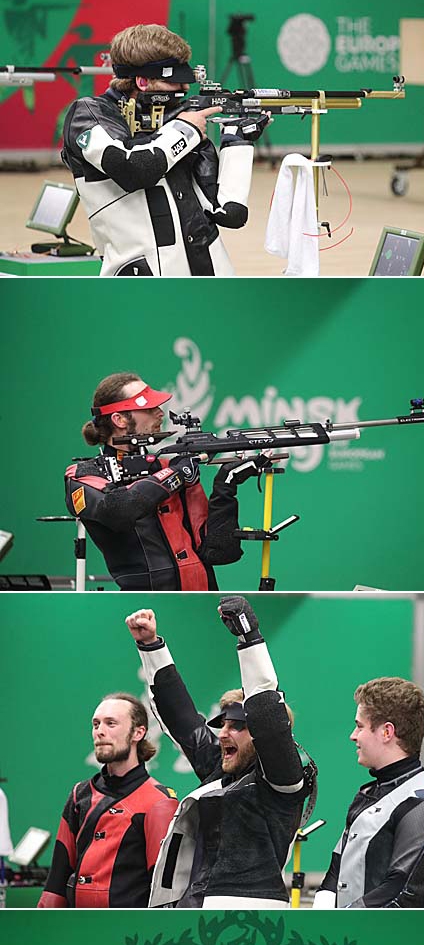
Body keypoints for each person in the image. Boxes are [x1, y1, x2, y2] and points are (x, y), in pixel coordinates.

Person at [125, 596, 317, 908]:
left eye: (237, 726)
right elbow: (182, 718)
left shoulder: (283, 775)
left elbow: (267, 715)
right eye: (223, 724)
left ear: (262, 735)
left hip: (250, 917)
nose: (223, 733)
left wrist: (249, 638)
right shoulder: (221, 766)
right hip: (194, 909)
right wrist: (151, 647)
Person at [62, 22, 269, 277]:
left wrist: (237, 142)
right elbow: (135, 168)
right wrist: (185, 130)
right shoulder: (89, 114)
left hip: (210, 272)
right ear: (143, 81)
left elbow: (229, 214)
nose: (184, 91)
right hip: (142, 282)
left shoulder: (174, 128)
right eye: (175, 83)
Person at [65, 371, 266, 591]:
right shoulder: (82, 475)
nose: (160, 413)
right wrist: (177, 474)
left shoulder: (168, 469)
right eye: (149, 409)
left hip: (204, 598)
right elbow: (119, 510)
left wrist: (225, 487)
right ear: (119, 419)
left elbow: (218, 551)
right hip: (150, 603)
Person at [313, 677, 424, 909]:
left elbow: (402, 892)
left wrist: (340, 923)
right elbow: (336, 871)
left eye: (360, 726)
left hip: (395, 942)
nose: (353, 735)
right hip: (353, 939)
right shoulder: (369, 793)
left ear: (386, 732)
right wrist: (321, 911)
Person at [38, 692, 177, 908]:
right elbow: (57, 878)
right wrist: (43, 926)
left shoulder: (159, 801)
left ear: (138, 732)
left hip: (129, 935)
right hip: (75, 929)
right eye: (96, 724)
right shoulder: (79, 794)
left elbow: (164, 893)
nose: (99, 732)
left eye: (111, 723)